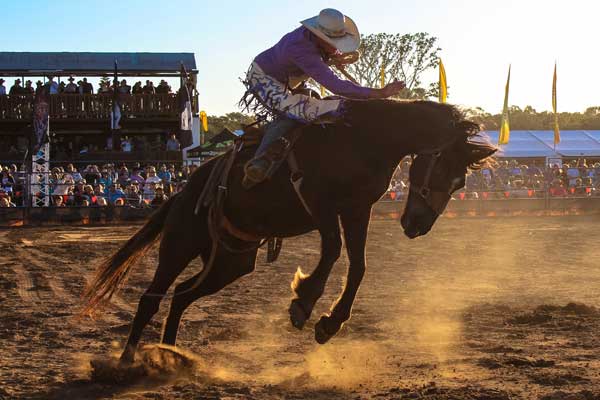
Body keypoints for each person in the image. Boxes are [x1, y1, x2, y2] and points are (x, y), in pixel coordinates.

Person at [241, 9, 405, 185]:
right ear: (318, 35)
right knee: (300, 112)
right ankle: (260, 162)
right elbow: (336, 86)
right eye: (332, 42)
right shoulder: (299, 49)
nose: (336, 48)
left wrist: (335, 57)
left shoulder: (315, 41)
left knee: (314, 106)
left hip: (289, 77)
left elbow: (328, 55)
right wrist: (378, 93)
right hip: (264, 77)